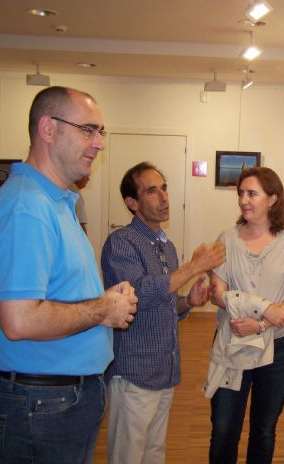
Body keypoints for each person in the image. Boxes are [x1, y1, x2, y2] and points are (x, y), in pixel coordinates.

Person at [0, 86, 138, 464]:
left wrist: (105, 298)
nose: (99, 143)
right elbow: (19, 319)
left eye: (100, 132)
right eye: (88, 130)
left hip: (58, 399)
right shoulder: (27, 206)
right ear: (48, 128)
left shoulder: (56, 201)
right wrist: (104, 309)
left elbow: (55, 291)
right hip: (43, 403)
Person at [101, 161, 226, 464]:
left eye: (164, 188)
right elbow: (138, 295)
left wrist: (188, 303)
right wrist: (194, 267)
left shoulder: (165, 246)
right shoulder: (121, 243)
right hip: (134, 374)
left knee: (154, 452)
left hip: (164, 370)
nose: (164, 197)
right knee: (127, 457)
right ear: (132, 203)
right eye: (152, 191)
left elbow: (164, 303)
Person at [208, 166, 284, 464]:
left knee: (264, 430)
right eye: (241, 193)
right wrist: (264, 308)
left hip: (280, 348)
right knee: (224, 429)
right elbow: (217, 294)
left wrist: (261, 324)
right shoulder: (226, 239)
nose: (244, 200)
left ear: (273, 199)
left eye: (252, 194)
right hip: (233, 343)